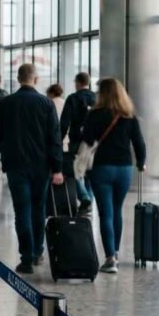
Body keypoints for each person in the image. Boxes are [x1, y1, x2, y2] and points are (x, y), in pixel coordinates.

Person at [0, 64, 64, 274]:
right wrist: (57, 167)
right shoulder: (46, 103)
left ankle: (26, 258)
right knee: (39, 208)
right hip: (41, 166)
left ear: (18, 78)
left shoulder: (6, 103)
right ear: (36, 79)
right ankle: (38, 252)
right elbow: (55, 138)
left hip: (15, 165)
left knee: (22, 210)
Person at [80, 78, 146, 274]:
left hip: (102, 167)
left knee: (106, 213)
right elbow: (139, 143)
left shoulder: (94, 114)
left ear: (102, 94)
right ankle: (115, 252)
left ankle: (111, 259)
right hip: (124, 168)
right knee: (117, 210)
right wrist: (141, 163)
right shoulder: (129, 116)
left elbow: (86, 140)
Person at [61, 72, 98, 215]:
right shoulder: (96, 98)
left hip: (77, 140)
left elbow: (65, 122)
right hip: (94, 142)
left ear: (77, 82)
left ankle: (84, 198)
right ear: (88, 83)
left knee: (75, 170)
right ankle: (87, 203)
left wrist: (59, 139)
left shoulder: (73, 98)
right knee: (89, 172)